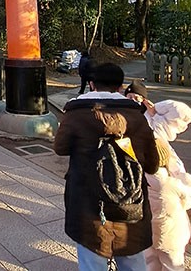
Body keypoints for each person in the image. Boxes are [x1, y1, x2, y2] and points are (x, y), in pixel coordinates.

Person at [54, 62, 159, 270]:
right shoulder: (137, 117)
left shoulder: (76, 114)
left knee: (92, 260)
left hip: (87, 202)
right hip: (130, 202)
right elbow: (152, 164)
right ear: (121, 87)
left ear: (92, 84)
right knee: (133, 259)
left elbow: (60, 148)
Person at [124, 80, 191, 175]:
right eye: (129, 97)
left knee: (176, 175)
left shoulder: (150, 115)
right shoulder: (122, 113)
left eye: (136, 98)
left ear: (143, 100)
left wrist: (154, 113)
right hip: (133, 155)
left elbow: (182, 112)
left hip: (160, 153)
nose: (132, 100)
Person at [144, 138, 191, 271]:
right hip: (172, 239)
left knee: (150, 264)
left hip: (148, 235)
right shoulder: (172, 184)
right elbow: (188, 200)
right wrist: (186, 179)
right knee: (173, 266)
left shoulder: (139, 181)